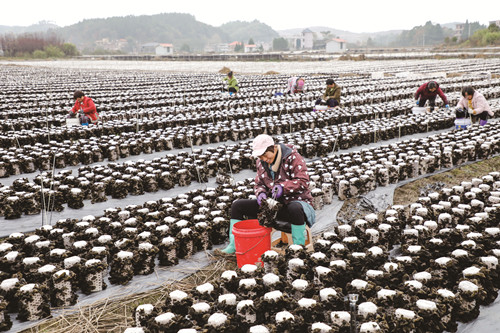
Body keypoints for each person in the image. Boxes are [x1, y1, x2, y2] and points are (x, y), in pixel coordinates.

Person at [219, 134, 316, 254]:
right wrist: (260, 193)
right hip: (274, 206)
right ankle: (234, 245)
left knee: (294, 207)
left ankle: (297, 248)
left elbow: (303, 181)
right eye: (260, 156)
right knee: (237, 206)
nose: (264, 158)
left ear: (274, 148)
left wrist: (283, 187)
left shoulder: (292, 157)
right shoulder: (261, 163)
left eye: (265, 155)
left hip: (298, 205)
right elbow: (259, 183)